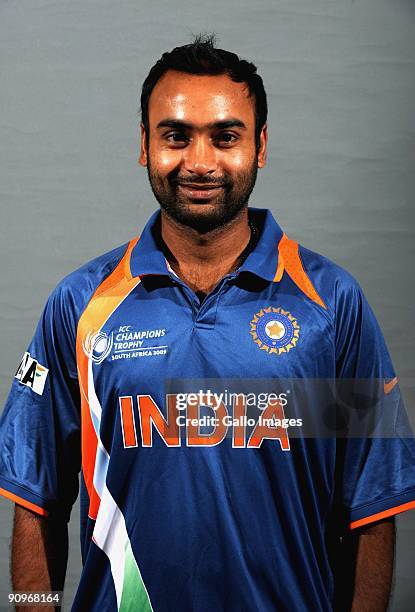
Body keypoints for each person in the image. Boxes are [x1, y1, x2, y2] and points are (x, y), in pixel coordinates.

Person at [0, 33, 415, 612]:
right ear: (144, 145)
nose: (199, 162)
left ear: (261, 145)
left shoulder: (332, 304)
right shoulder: (80, 305)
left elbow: (372, 507)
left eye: (226, 137)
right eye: (175, 136)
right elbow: (37, 502)